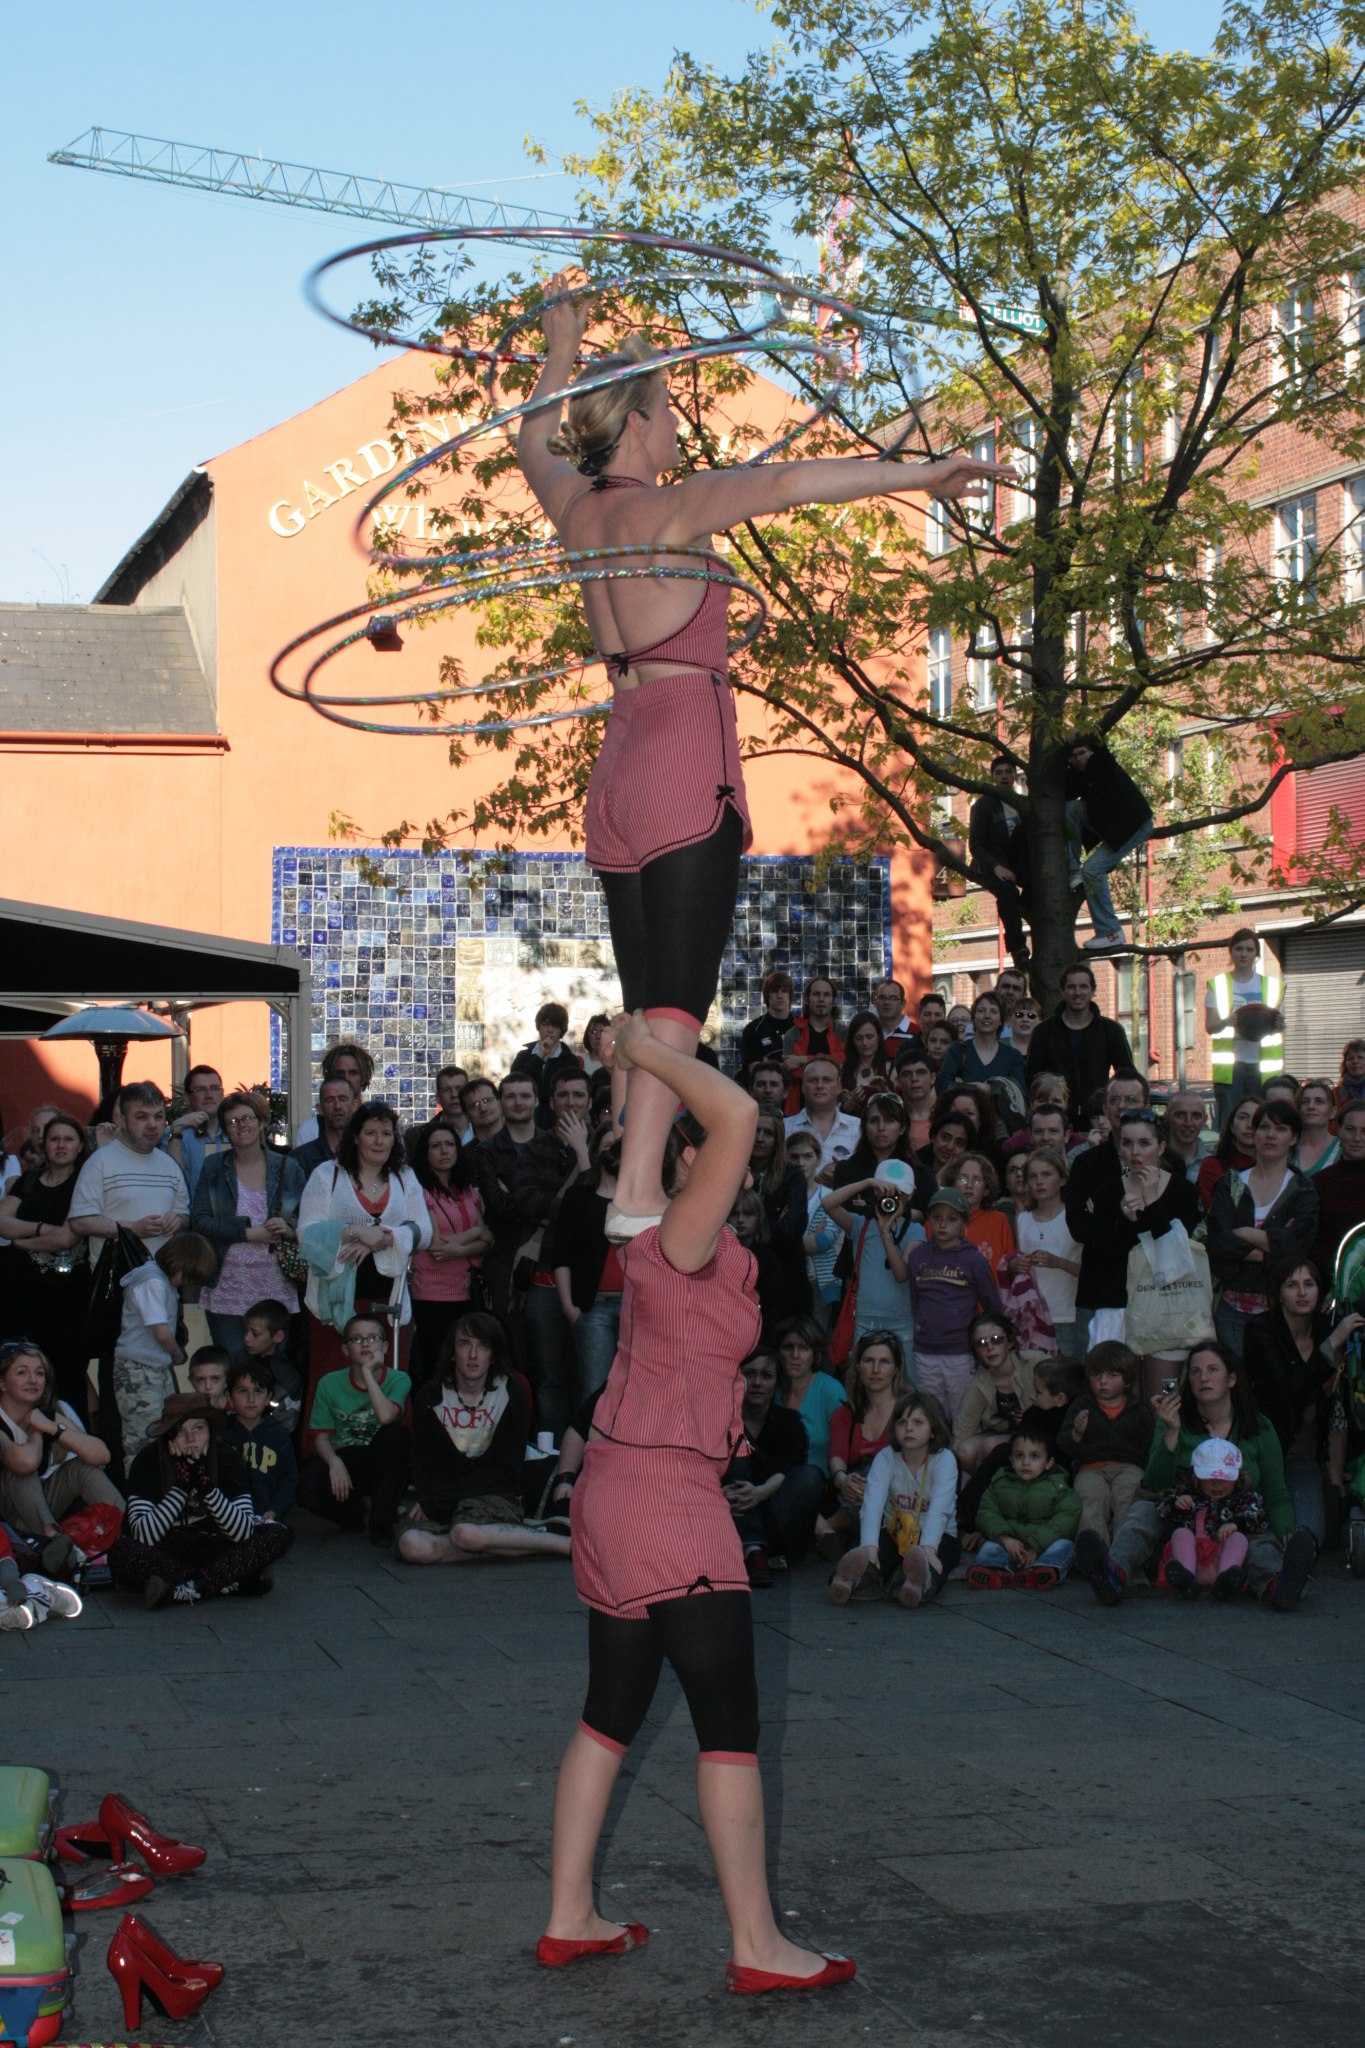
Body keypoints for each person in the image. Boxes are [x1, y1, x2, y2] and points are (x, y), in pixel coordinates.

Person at [519, 292, 1011, 1248]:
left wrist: (559, 346)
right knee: (674, 1004)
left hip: (615, 762)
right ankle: (632, 1193)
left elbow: (530, 437)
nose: (677, 434)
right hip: (680, 753)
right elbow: (795, 483)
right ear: (647, 419)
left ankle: (635, 1163)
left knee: (643, 997)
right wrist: (921, 471)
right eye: (669, 414)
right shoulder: (674, 507)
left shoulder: (573, 510)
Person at [541, 1011, 854, 1993]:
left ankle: (570, 1914)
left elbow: (680, 1133)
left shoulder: (644, 1223)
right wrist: (646, 1054)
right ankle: (758, 1942)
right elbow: (743, 1109)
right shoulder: (679, 1233)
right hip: (668, 1496)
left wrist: (639, 1057)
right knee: (730, 1724)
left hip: (617, 1489)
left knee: (610, 1710)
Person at [1074, 1341, 1315, 1611]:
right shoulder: (1173, 1420)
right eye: (1196, 1372)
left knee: (1260, 1542)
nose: (1204, 1378)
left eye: (1213, 1370)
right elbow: (1156, 1484)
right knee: (1143, 1513)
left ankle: (1279, 1586)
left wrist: (1288, 1537)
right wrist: (1171, 1433)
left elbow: (1276, 1493)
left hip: (1236, 1516)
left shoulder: (1258, 1427)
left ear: (1232, 1378)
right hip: (1184, 1513)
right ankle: (1113, 1575)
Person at [67, 1082, 191, 1471]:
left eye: (158, 1117)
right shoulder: (101, 1163)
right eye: (142, 1117)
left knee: (159, 1393)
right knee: (117, 1397)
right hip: (118, 1294)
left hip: (164, 1287)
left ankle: (160, 1481)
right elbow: (80, 1220)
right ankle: (124, 1489)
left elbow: (185, 1215)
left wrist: (177, 1220)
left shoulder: (168, 1165)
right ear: (122, 1118)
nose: (152, 1125)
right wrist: (129, 1228)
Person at [297, 1100, 431, 1429]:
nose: (379, 1140)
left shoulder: (405, 1176)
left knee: (388, 1379)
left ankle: (388, 1457)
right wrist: (356, 1231)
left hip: (388, 1302)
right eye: (370, 1132)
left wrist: (381, 1238)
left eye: (386, 1133)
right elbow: (307, 1233)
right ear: (355, 1136)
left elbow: (423, 1231)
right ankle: (330, 1459)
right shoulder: (326, 1175)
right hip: (336, 1301)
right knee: (333, 1376)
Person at [399, 1313, 571, 1565]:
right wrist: (439, 1501)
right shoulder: (430, 1397)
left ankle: (563, 1545)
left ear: (493, 1354)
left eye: (483, 1346)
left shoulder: (511, 1392)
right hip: (442, 1500)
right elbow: (425, 1469)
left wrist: (441, 1500)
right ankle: (509, 1543)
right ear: (452, 1351)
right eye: (464, 1344)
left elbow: (506, 1473)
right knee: (411, 1545)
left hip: (495, 1496)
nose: (473, 1355)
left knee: (465, 1532)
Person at [109, 1390, 292, 1607]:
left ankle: (188, 1588)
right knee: (122, 1551)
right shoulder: (148, 1460)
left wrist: (207, 1488)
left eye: (198, 1429)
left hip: (214, 1544)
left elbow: (241, 1533)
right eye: (180, 1432)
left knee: (277, 1533)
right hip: (168, 1549)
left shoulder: (227, 1457)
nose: (190, 1440)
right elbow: (144, 1536)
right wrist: (181, 1487)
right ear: (168, 1436)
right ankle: (228, 1582)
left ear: (209, 1431)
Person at [1077, 1107, 1205, 1396]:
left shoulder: (1184, 1192)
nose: (1135, 1152)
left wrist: (1149, 1208)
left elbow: (1177, 1258)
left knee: (1163, 1400)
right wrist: (1124, 1220)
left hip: (1169, 1310)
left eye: (1144, 1144)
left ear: (1160, 1147)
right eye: (1127, 1143)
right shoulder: (1108, 1192)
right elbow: (1101, 1258)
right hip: (1117, 1307)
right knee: (1117, 1399)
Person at [1242, 1257, 1363, 1543]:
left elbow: (1336, 1403)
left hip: (1303, 1453)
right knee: (1262, 1525)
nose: (1302, 1293)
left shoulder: (1325, 1326)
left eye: (1309, 1284)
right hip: (1263, 1448)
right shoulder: (1260, 1329)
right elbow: (1288, 1389)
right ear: (1278, 1294)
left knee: (1311, 1535)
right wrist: (1331, 1345)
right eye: (1292, 1285)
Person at [475, 1071, 583, 1387]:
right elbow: (495, 1204)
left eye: (525, 1096)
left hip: (552, 1257)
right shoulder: (488, 1150)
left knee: (555, 1355)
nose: (518, 1102)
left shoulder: (553, 1143)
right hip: (507, 1257)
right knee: (515, 1346)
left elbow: (575, 1204)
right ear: (501, 1102)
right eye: (510, 1096)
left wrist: (526, 1198)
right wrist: (529, 1202)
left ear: (537, 1101)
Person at [191, 1091, 304, 1355]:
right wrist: (248, 1233)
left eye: (247, 1118)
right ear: (225, 1132)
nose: (241, 1126)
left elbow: (310, 1219)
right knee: (233, 1366)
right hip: (226, 1286)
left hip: (276, 1285)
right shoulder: (214, 1167)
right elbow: (200, 1221)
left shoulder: (289, 1167)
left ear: (262, 1121)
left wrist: (288, 1229)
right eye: (232, 1122)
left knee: (272, 1371)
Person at [1206, 1100, 1318, 1360]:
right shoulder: (1230, 1184)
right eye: (1264, 1127)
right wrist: (1273, 1245)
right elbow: (1218, 1244)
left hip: (1283, 1314)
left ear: (1294, 1138)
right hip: (1231, 1310)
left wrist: (1244, 1232)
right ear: (1253, 1134)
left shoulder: (1303, 1189)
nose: (1270, 1135)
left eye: (1280, 1129)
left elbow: (1299, 1248)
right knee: (1238, 1392)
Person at [0, 1339, 122, 1576]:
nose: (33, 1380)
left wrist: (52, 1428)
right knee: (22, 1472)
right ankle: (53, 1541)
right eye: (22, 1373)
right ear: (3, 1383)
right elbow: (25, 1462)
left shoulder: (51, 1414)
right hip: (7, 1521)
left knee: (82, 1469)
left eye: (39, 1373)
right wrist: (36, 1431)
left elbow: (101, 1455)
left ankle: (130, 1536)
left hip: (34, 1512)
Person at [828, 1392, 960, 1606]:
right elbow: (873, 1504)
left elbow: (940, 1508)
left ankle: (920, 1584)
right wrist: (870, 1547)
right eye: (902, 1422)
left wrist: (928, 1549)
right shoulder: (886, 1457)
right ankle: (851, 1579)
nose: (908, 1428)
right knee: (880, 1554)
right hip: (896, 1531)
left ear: (934, 1430)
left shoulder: (944, 1460)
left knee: (939, 1562)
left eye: (918, 1422)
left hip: (938, 1536)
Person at [0, 1112, 93, 1416]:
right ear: (43, 1144)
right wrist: (43, 1230)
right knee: (22, 1374)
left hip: (67, 1300)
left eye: (68, 1139)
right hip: (21, 1298)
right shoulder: (27, 1181)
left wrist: (23, 1236)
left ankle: (74, 1454)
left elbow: (67, 1239)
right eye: (54, 1139)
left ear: (80, 1146)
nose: (61, 1145)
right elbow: (2, 1222)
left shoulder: (85, 1184)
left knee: (67, 1380)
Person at [296, 1312, 412, 1545]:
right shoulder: (329, 1383)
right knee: (305, 1488)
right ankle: (352, 1515)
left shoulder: (399, 1379)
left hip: (381, 1458)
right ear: (345, 1349)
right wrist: (334, 1462)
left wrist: (368, 1374)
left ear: (386, 1346)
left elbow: (386, 1416)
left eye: (373, 1338)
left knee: (397, 1434)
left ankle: (382, 1522)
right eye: (356, 1339)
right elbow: (321, 1438)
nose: (366, 1343)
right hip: (345, 1457)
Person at [1063, 1071, 1153, 1355]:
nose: (1122, 1106)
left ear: (1146, 1106)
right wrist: (1126, 1218)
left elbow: (1164, 1227)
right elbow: (1080, 1229)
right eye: (1115, 1100)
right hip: (1099, 1291)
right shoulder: (1085, 1164)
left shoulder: (1167, 1163)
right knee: (1095, 1382)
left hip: (1153, 1292)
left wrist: (1104, 1213)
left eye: (1131, 1099)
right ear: (1105, 1108)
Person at [113, 1232, 217, 1468]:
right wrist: (177, 1353)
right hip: (137, 1369)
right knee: (143, 1434)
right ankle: (140, 1493)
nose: (187, 1282)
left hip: (154, 1366)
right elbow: (161, 1332)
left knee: (167, 1425)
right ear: (178, 1262)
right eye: (188, 1276)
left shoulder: (161, 1282)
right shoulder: (153, 1282)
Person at [722, 1347, 824, 1582]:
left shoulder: (789, 1422)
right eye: (750, 1374)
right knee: (737, 1450)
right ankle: (754, 1550)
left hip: (774, 1515)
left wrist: (758, 1493)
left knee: (811, 1477)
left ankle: (754, 1548)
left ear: (777, 1382)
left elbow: (786, 1470)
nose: (757, 1382)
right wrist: (719, 1495)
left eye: (766, 1376)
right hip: (729, 1515)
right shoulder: (723, 1419)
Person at [905, 1187, 1004, 1421]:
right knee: (931, 1414)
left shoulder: (974, 1260)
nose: (943, 1225)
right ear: (929, 1219)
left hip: (960, 1351)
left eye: (951, 1219)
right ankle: (936, 1456)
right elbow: (915, 1301)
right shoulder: (918, 1256)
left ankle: (960, 1456)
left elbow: (992, 1306)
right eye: (937, 1218)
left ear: (963, 1223)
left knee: (963, 1412)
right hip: (926, 1349)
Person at [407, 1119, 492, 1380]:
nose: (444, 1151)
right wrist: (476, 1236)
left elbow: (488, 1237)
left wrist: (469, 1240)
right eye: (436, 1146)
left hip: (469, 1292)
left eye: (449, 1144)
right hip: (433, 1295)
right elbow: (436, 1245)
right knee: (438, 1367)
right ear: (425, 1153)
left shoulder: (467, 1190)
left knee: (467, 1369)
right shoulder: (418, 1192)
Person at [1055, 1340, 1154, 1541]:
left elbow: (1150, 1447)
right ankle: (1095, 1550)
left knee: (1127, 1496)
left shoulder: (1139, 1410)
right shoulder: (1081, 1406)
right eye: (1096, 1375)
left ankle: (1123, 1550)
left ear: (1127, 1380)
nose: (1103, 1381)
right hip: (1090, 1467)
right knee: (1089, 1497)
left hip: (1129, 1466)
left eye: (1112, 1375)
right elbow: (1063, 1445)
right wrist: (1076, 1433)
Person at [819, 1330, 904, 1558]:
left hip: (897, 1494)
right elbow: (836, 1455)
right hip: (851, 1491)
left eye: (884, 1362)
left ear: (896, 1368)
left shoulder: (909, 1411)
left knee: (874, 1472)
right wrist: (843, 1479)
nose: (876, 1370)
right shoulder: (844, 1413)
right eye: (869, 1361)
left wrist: (875, 1486)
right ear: (858, 1366)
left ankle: (828, 1528)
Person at [1066, 732, 1154, 951]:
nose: (1079, 759)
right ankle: (1072, 868)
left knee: (1092, 871)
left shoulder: (1101, 763)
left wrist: (1085, 732)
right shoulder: (1081, 776)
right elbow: (1065, 791)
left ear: (1092, 751)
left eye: (1083, 753)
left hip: (1132, 827)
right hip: (1114, 826)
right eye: (1074, 756)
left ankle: (1110, 931)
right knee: (1071, 808)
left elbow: (1101, 748)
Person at [968, 1424, 1082, 1587]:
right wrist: (1005, 1539)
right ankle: (994, 1571)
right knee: (990, 1546)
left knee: (1066, 1546)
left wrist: (1036, 1547)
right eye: (1019, 1456)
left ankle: (1042, 1570)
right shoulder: (999, 1483)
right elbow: (986, 1512)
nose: (1026, 1462)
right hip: (1008, 1542)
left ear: (1049, 1463)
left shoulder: (1059, 1488)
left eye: (1034, 1456)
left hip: (1043, 1546)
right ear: (1011, 1460)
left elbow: (1067, 1517)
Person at [1158, 1437, 1270, 1598]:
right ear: (1196, 1477)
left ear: (1237, 1477)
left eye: (1224, 1479)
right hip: (1192, 1558)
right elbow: (1161, 1508)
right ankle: (1186, 1580)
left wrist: (1236, 1523)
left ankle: (1225, 1581)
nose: (1217, 1484)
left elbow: (1259, 1516)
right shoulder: (1190, 1496)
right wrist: (1176, 1503)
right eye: (1210, 1479)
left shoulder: (1244, 1498)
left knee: (1238, 1538)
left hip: (1221, 1556)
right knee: (1181, 1534)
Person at [1025, 962, 1135, 1107]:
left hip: (1098, 1117)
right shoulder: (1044, 1031)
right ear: (1063, 991)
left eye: (1083, 986)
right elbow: (1032, 1079)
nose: (1078, 992)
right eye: (1071, 987)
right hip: (1056, 1117)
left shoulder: (1111, 1030)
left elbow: (1127, 1077)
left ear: (1093, 991)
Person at [1204, 929, 1285, 1126]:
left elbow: (1275, 1025)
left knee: (1263, 1122)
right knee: (1230, 1123)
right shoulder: (1219, 984)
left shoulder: (1272, 986)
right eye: (1239, 949)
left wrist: (1279, 1025)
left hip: (1264, 1067)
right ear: (1230, 952)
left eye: (1249, 949)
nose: (1243, 954)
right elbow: (1210, 1026)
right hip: (1231, 1068)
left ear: (1256, 954)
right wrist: (1225, 1022)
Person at [1011, 1146, 1083, 1359]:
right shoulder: (1022, 1219)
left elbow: (1090, 1273)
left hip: (1066, 1315)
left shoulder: (1076, 1217)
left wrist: (1058, 1262)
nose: (1039, 1181)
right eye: (1033, 1176)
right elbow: (1012, 1265)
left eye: (1046, 1174)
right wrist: (1016, 1265)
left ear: (1062, 1179)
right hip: (1031, 1316)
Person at [952, 1312, 1040, 1473]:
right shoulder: (980, 1382)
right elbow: (963, 1430)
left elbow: (1064, 1395)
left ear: (1010, 1342)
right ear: (975, 1351)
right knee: (965, 1451)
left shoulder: (1036, 1363)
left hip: (1040, 1433)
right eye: (981, 1343)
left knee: (991, 1446)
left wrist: (1035, 1414)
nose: (990, 1347)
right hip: (1003, 1434)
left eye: (997, 1340)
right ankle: (989, 1490)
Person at [968, 754, 1031, 968]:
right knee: (1008, 893)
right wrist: (996, 867)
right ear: (993, 776)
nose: (1004, 776)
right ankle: (1017, 948)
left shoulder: (1023, 804)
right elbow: (976, 845)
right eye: (999, 772)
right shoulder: (984, 806)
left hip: (1015, 863)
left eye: (1008, 772)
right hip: (989, 865)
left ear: (1015, 774)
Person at [221, 1360, 298, 1522]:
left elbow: (288, 1481)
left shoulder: (279, 1436)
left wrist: (274, 1511)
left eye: (258, 1391)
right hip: (229, 1519)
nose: (251, 1399)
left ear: (268, 1396)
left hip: (267, 1518)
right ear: (229, 1397)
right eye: (242, 1391)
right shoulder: (221, 1436)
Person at [773, 1314, 848, 1478]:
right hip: (772, 1483)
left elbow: (843, 1448)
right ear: (778, 1352)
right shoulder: (770, 1388)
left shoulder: (831, 1390)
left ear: (815, 1354)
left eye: (803, 1348)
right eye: (788, 1347)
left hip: (816, 1484)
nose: (795, 1355)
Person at [784, 1129, 842, 1330]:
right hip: (784, 1281)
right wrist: (806, 1239)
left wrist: (783, 1238)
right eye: (794, 1157)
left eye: (807, 1156)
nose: (800, 1163)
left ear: (818, 1159)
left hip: (818, 1283)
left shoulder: (830, 1196)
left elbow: (823, 1242)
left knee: (817, 1344)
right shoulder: (777, 1195)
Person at [934, 989, 1027, 1102]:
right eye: (981, 1010)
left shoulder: (1013, 1056)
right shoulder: (957, 1049)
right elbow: (942, 1085)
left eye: (993, 1011)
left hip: (1000, 1118)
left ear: (1001, 1020)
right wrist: (978, 1088)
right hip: (964, 1117)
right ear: (973, 1018)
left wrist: (987, 1088)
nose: (987, 1016)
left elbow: (1019, 1093)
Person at [938, 1152, 1016, 1283]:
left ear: (986, 1189)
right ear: (952, 1184)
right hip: (948, 1301)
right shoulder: (936, 1223)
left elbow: (1009, 1267)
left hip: (989, 1301)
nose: (969, 1185)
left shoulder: (999, 1221)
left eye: (977, 1180)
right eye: (962, 1179)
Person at [783, 1055, 861, 1177]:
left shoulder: (859, 1128)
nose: (820, 1086)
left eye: (827, 1080)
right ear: (803, 1087)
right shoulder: (783, 1128)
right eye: (813, 1080)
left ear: (839, 1087)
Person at [1312, 1099, 1365, 1277]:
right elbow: (1312, 1241)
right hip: (1331, 1282)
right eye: (1350, 1129)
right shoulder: (1319, 1183)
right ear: (1339, 1131)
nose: (1358, 1138)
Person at [236, 1301, 304, 1435]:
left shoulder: (287, 1375)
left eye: (255, 1334)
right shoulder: (238, 1363)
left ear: (277, 1336)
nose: (247, 1339)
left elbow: (287, 1421)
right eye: (245, 1332)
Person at [293, 1042, 375, 1148]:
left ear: (364, 1077)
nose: (347, 1078)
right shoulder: (310, 1130)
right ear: (329, 1076)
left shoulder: (380, 1126)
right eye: (340, 1073)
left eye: (353, 1073)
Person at [166, 1066, 229, 1203]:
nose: (209, 1095)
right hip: (190, 1220)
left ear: (222, 1094)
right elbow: (173, 1182)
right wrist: (176, 1132)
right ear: (187, 1098)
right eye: (200, 1090)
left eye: (214, 1088)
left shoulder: (236, 1133)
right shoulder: (172, 1136)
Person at [512, 1002, 584, 1120]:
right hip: (525, 1118)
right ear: (539, 1027)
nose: (550, 1030)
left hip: (556, 1121)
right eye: (545, 1024)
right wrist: (540, 1056)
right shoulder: (523, 1056)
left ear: (561, 1030)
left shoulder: (570, 1061)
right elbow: (516, 1083)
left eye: (555, 1026)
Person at [290, 1075, 361, 1183]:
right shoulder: (300, 1160)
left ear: (355, 1105)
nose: (337, 1106)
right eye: (329, 1100)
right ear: (320, 1109)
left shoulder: (367, 1154)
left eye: (343, 1099)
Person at [1196, 1094, 1260, 1210]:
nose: (1250, 1125)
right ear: (1232, 1126)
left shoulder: (1274, 1169)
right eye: (1242, 1117)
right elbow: (1219, 1214)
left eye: (1256, 1118)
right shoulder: (1213, 1166)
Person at [405, 1065, 472, 1161]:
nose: (454, 1095)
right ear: (438, 1097)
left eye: (459, 1089)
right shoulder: (416, 1137)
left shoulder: (485, 1132)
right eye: (447, 1090)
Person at [738, 971, 795, 1077]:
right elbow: (755, 1071)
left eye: (784, 991)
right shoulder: (753, 1029)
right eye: (774, 991)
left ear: (790, 995)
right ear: (767, 996)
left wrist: (769, 1065)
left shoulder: (801, 1027)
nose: (779, 995)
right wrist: (787, 1065)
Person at [838, 1011, 890, 1110]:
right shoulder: (843, 1070)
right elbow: (838, 1111)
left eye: (869, 1037)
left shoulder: (891, 1068)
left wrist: (885, 1093)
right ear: (852, 1041)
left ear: (878, 1037)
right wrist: (852, 1102)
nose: (865, 1043)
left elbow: (901, 1107)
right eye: (859, 1038)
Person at [892, 1048, 937, 1152]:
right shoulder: (889, 1121)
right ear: (898, 1081)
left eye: (921, 1072)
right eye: (907, 1074)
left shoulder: (943, 1120)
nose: (914, 1079)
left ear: (932, 1078)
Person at [1293, 1079, 1340, 1177]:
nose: (1311, 1106)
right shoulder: (1287, 1146)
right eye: (1305, 1102)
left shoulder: (1343, 1148)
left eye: (1319, 1102)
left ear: (1333, 1112)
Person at [1163, 1091, 1211, 1185]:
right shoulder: (1154, 1160)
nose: (1188, 1123)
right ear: (1167, 1117)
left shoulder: (1214, 1165)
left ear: (1204, 1120)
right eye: (1180, 1115)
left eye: (1196, 1116)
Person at [872, 979, 915, 1061]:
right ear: (875, 1002)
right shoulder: (868, 1033)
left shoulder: (916, 1034)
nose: (887, 1002)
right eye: (882, 997)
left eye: (893, 998)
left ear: (903, 1004)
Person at [460, 1076, 504, 1146]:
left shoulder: (524, 1147)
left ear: (499, 1102)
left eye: (487, 1100)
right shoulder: (463, 1155)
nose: (483, 1109)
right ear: (466, 1115)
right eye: (474, 1105)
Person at [1337, 1036, 1365, 1113]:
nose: (1355, 1061)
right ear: (1345, 1064)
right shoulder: (1336, 1093)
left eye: (1360, 1057)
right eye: (1350, 1058)